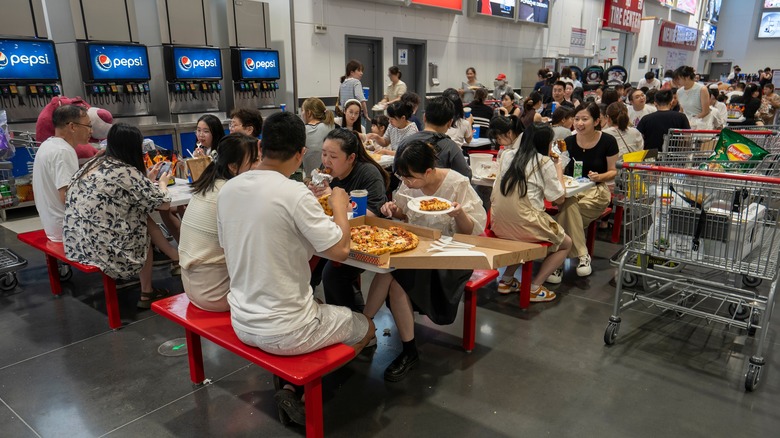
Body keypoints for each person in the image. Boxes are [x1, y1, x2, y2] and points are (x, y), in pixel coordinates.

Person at [218, 112, 375, 423]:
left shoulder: (229, 190)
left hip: (242, 319)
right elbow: (341, 251)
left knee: (314, 302)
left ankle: (290, 387)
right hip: (287, 330)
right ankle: (303, 388)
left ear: (260, 146)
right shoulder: (295, 193)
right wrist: (340, 206)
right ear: (302, 153)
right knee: (367, 328)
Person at [365, 140, 486, 382]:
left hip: (451, 254)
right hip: (418, 247)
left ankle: (368, 331)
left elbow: (472, 232)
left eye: (410, 178)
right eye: (403, 178)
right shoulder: (410, 183)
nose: (407, 183)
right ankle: (366, 328)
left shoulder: (457, 184)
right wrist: (392, 209)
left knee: (395, 277)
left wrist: (458, 213)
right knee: (387, 269)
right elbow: (405, 211)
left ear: (428, 172)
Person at [63, 123, 178, 308]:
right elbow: (163, 203)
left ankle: (174, 257)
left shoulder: (96, 162)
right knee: (140, 224)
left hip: (77, 241)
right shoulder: (127, 171)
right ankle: (152, 286)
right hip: (102, 248)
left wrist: (145, 180)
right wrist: (162, 183)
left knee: (137, 213)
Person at [309, 129, 389, 311]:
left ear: (351, 158)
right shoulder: (325, 173)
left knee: (333, 273)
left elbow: (372, 216)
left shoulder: (368, 174)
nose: (326, 161)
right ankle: (307, 311)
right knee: (305, 263)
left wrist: (335, 201)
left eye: (333, 156)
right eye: (323, 154)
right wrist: (314, 195)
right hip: (331, 233)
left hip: (365, 239)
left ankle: (353, 324)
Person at [490, 122, 570, 300]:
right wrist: (558, 167)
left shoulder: (507, 155)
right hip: (525, 225)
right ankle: (534, 287)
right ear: (546, 143)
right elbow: (559, 198)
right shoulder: (544, 162)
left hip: (497, 222)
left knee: (524, 237)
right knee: (566, 244)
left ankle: (507, 280)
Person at [179, 133, 259, 312]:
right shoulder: (232, 193)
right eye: (254, 161)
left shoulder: (210, 184)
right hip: (217, 293)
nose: (260, 165)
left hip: (196, 286)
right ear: (232, 166)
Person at [552, 103, 618, 281]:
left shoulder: (608, 141)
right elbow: (559, 167)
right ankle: (582, 255)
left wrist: (600, 176)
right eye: (576, 119)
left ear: (597, 121)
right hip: (572, 191)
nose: (579, 123)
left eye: (584, 119)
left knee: (562, 214)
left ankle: (556, 263)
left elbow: (614, 171)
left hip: (596, 190)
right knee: (570, 204)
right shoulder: (568, 142)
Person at [33, 105, 89, 242]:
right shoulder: (64, 151)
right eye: (88, 125)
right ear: (72, 126)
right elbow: (68, 197)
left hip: (53, 226)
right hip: (68, 230)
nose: (91, 131)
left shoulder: (47, 145)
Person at [395, 96, 472, 178]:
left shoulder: (406, 142)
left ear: (424, 117)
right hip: (440, 190)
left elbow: (396, 170)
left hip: (409, 189)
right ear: (450, 123)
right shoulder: (450, 146)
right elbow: (466, 175)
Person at [301, 97, 336, 175]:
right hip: (332, 175)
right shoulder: (332, 126)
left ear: (309, 113)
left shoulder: (303, 130)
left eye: (302, 110)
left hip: (310, 179)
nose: (301, 114)